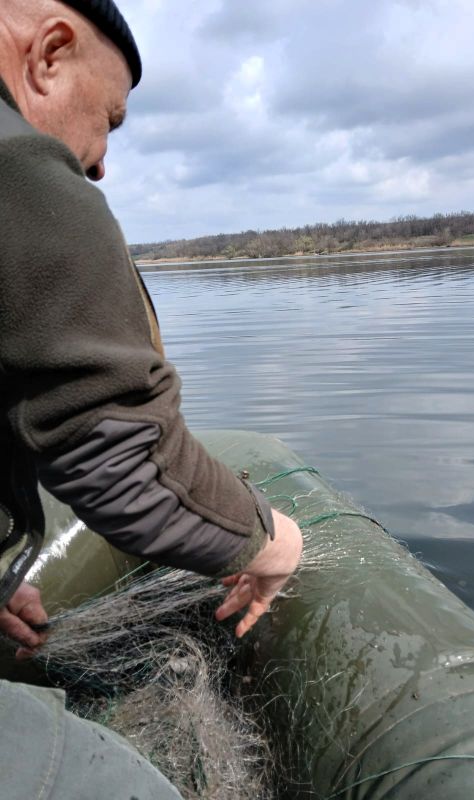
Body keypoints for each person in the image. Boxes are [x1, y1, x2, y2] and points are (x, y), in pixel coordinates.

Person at [0, 0, 302, 796]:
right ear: (48, 55)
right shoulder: (22, 172)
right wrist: (270, 541)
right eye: (109, 120)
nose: (99, 162)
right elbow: (126, 465)